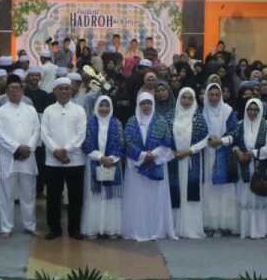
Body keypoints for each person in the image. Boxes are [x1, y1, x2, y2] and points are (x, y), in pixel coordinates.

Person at [121, 92, 175, 241]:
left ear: (153, 104)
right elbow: (128, 141)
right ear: (138, 105)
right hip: (136, 167)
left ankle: (156, 229)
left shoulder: (161, 121)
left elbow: (167, 142)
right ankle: (138, 229)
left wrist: (154, 154)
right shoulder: (132, 121)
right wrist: (143, 155)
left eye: (149, 103)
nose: (146, 106)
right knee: (137, 199)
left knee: (155, 199)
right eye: (143, 103)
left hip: (156, 163)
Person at [40, 77, 87, 240]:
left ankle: (74, 229)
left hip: (75, 160)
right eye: (61, 88)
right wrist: (55, 151)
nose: (64, 91)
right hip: (53, 161)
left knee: (75, 196)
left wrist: (66, 150)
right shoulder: (48, 110)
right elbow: (44, 133)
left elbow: (81, 134)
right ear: (54, 91)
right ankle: (54, 229)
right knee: (53, 196)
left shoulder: (79, 110)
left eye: (67, 88)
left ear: (72, 90)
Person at [0, 76, 40, 237]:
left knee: (28, 195)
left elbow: (36, 131)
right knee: (6, 195)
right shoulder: (0, 111)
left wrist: (29, 148)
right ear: (6, 91)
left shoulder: (30, 110)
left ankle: (30, 225)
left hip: (28, 157)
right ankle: (6, 228)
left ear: (22, 91)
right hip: (9, 159)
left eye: (17, 88)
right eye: (11, 88)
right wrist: (17, 148)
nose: (14, 91)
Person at [232, 98, 267, 239]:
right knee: (244, 196)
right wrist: (238, 152)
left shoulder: (266, 125)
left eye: (255, 109)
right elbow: (234, 142)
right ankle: (244, 229)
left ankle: (260, 230)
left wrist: (253, 153)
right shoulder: (240, 125)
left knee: (258, 197)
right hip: (243, 166)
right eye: (249, 109)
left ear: (260, 110)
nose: (252, 112)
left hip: (259, 167)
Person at [168, 87, 208, 239]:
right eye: (183, 97)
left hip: (191, 159)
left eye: (190, 98)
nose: (186, 101)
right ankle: (174, 227)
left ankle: (191, 228)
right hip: (174, 159)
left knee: (189, 192)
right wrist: (172, 151)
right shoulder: (171, 115)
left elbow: (205, 139)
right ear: (179, 98)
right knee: (175, 191)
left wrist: (189, 151)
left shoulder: (198, 117)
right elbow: (165, 136)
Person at [81, 95, 123, 239]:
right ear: (96, 107)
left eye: (107, 106)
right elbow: (86, 144)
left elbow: (120, 145)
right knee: (95, 196)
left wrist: (111, 159)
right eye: (101, 105)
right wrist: (100, 157)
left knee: (111, 197)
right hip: (93, 163)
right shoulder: (90, 122)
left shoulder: (116, 123)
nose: (104, 109)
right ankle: (93, 229)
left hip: (113, 163)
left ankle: (110, 229)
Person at [200, 83, 238, 235]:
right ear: (207, 96)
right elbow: (198, 132)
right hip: (207, 154)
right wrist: (208, 140)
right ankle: (210, 224)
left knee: (224, 189)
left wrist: (221, 141)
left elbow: (235, 133)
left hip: (224, 154)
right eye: (211, 95)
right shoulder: (202, 112)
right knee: (209, 188)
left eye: (217, 95)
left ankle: (224, 224)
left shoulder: (228, 111)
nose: (214, 98)